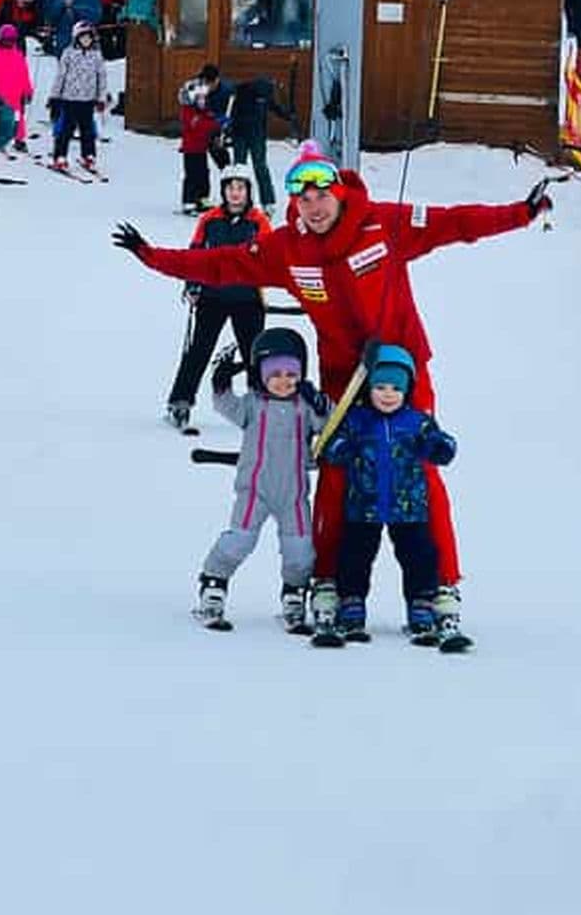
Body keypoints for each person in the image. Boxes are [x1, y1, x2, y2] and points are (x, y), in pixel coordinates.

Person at [112, 139, 553, 639]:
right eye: (303, 199)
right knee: (337, 473)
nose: (314, 207)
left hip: (402, 371)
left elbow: (456, 223)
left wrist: (521, 212)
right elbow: (223, 264)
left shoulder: (383, 223)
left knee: (420, 469)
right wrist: (153, 257)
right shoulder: (287, 247)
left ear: (339, 193)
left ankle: (441, 584)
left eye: (322, 195)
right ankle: (328, 582)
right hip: (344, 380)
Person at [192, 328, 331, 633]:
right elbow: (227, 406)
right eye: (275, 374)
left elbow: (329, 424)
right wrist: (221, 383)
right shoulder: (253, 405)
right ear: (260, 375)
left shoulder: (304, 406)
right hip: (254, 491)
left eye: (292, 373)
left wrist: (321, 404)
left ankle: (294, 593)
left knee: (301, 549)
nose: (284, 380)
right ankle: (214, 582)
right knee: (239, 540)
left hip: (294, 494)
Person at [322, 344, 458, 646]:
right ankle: (352, 603)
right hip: (363, 506)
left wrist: (440, 447)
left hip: (408, 507)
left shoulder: (416, 421)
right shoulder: (357, 419)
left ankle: (421, 605)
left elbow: (441, 443)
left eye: (396, 388)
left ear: (407, 389)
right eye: (380, 386)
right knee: (354, 557)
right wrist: (341, 449)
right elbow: (332, 445)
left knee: (419, 556)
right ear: (368, 387)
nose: (387, 394)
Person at [166, 164, 270, 431]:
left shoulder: (258, 221)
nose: (236, 194)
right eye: (230, 188)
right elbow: (195, 255)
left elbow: (272, 256)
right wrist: (192, 285)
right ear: (223, 191)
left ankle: (261, 407)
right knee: (198, 351)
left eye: (241, 188)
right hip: (213, 296)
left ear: (249, 192)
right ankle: (180, 402)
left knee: (255, 355)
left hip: (248, 298)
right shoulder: (209, 219)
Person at [48, 21, 107, 172]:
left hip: (88, 100)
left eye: (89, 38)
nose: (86, 41)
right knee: (65, 130)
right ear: (76, 38)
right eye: (83, 37)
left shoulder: (96, 56)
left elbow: (101, 78)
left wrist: (101, 98)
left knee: (87, 130)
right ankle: (60, 156)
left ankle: (89, 155)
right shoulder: (68, 54)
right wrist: (54, 96)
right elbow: (60, 76)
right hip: (69, 99)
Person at [230, 77, 293, 215]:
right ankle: (253, 201)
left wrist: (286, 115)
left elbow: (272, 106)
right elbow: (234, 114)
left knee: (251, 168)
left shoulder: (262, 93)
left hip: (250, 135)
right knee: (249, 168)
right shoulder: (247, 93)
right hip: (246, 134)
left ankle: (260, 201)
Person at [0, 24, 34, 153]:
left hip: (17, 94)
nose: (8, 42)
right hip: (0, 95)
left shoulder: (19, 56)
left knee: (18, 118)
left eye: (11, 40)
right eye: (6, 40)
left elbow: (24, 74)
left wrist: (28, 91)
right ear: (0, 39)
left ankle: (19, 139)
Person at [177, 76, 221, 214]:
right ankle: (188, 201)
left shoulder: (202, 111)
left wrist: (218, 122)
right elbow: (199, 125)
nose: (203, 101)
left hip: (202, 148)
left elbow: (208, 119)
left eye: (204, 98)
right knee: (192, 175)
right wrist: (214, 124)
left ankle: (202, 198)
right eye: (199, 99)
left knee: (204, 173)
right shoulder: (188, 112)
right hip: (191, 149)